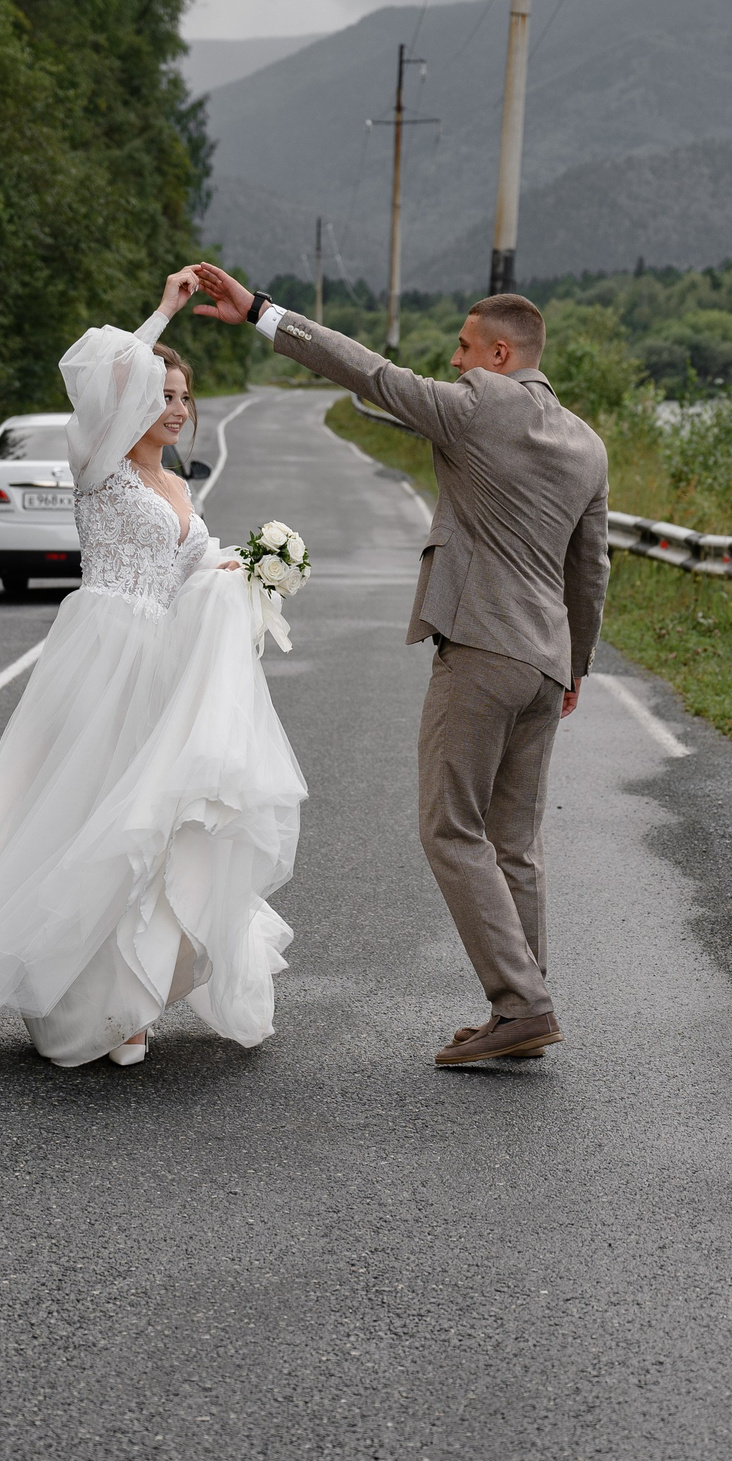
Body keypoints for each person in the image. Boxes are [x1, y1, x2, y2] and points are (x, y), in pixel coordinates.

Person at [189, 265, 609, 1066]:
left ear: (496, 351)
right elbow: (592, 570)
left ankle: (522, 1004)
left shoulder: (478, 407)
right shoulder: (586, 441)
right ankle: (526, 1005)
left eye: (460, 347)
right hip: (547, 660)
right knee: (513, 842)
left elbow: (370, 374)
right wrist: (576, 665)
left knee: (449, 828)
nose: (450, 362)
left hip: (483, 648)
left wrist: (262, 314)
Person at [0, 269, 304, 1067]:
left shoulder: (178, 487)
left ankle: (125, 998)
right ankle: (70, 997)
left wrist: (255, 571)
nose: (173, 405)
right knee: (82, 815)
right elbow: (101, 371)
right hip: (99, 656)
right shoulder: (98, 463)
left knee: (148, 827)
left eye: (184, 396)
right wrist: (163, 310)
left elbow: (200, 568)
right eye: (162, 391)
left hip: (160, 665)